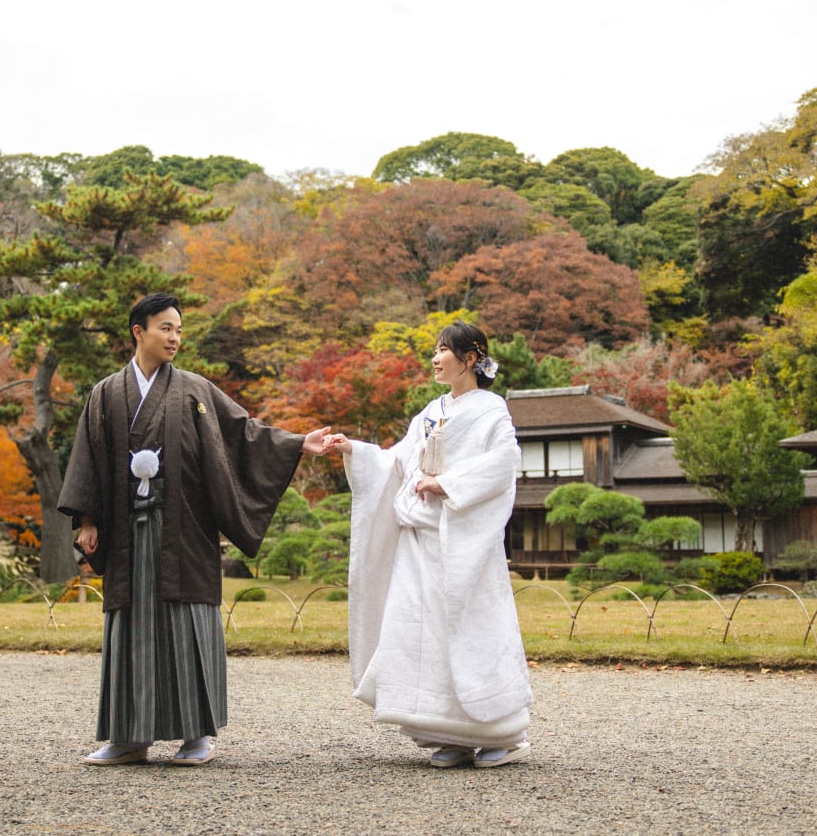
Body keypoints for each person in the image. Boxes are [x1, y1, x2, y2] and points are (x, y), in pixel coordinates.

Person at [57, 292, 330, 767]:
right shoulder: (105, 393)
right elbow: (89, 460)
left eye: (180, 330)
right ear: (138, 332)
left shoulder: (194, 390)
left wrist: (296, 443)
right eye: (166, 328)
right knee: (131, 629)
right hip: (125, 532)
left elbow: (244, 433)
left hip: (183, 530)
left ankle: (196, 735)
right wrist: (85, 521)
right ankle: (127, 736)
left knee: (188, 626)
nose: (176, 338)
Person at [327, 321, 533, 769]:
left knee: (472, 627)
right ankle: (447, 732)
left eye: (444, 351)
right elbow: (397, 462)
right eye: (435, 351)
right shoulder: (429, 411)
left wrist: (449, 485)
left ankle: (501, 731)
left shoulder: (492, 410)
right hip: (419, 540)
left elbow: (503, 464)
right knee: (423, 633)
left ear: (471, 359)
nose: (435, 358)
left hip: (463, 538)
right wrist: (355, 451)